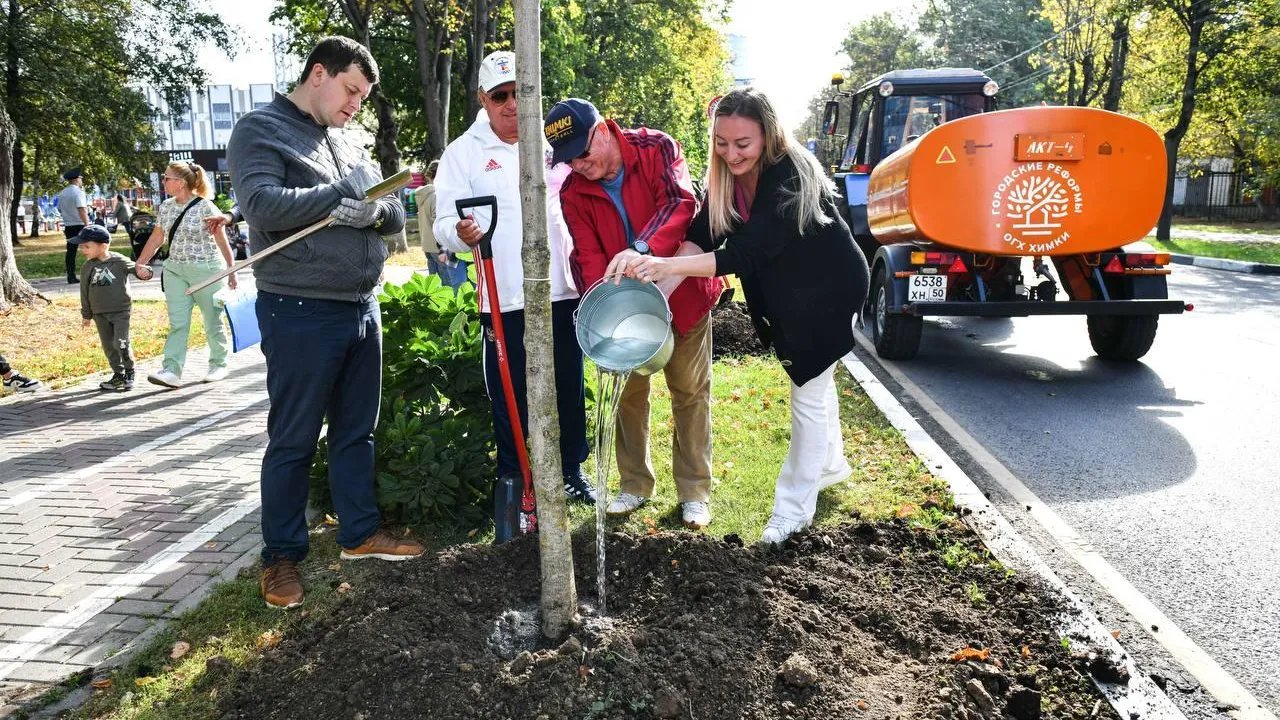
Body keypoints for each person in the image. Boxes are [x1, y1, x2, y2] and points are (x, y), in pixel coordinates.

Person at [227, 35, 423, 610]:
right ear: (319, 74)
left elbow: (390, 216)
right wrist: (341, 192)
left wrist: (377, 208)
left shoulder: (345, 138)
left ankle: (359, 534)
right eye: (351, 90)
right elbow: (260, 205)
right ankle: (281, 556)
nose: (356, 105)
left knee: (356, 429)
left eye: (362, 96)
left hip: (361, 304)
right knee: (293, 437)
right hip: (299, 308)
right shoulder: (259, 130)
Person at [627, 88, 870, 545]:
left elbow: (744, 253)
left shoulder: (790, 173)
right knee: (817, 383)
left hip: (828, 290)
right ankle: (832, 466)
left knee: (808, 393)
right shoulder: (722, 177)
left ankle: (792, 511)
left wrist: (669, 266)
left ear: (768, 136)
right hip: (789, 294)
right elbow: (702, 233)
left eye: (743, 144)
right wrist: (658, 294)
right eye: (722, 142)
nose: (731, 153)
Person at [544, 98, 723, 529]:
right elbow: (586, 255)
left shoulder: (657, 148)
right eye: (568, 162)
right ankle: (634, 485)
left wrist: (642, 249)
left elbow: (681, 205)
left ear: (603, 130)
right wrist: (600, 304)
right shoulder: (572, 192)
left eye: (583, 154)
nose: (579, 167)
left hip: (682, 293)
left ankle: (694, 491)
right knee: (626, 396)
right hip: (623, 310)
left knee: (689, 392)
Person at [433, 50, 596, 505]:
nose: (511, 105)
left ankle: (571, 470)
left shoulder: (552, 144)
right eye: (500, 96)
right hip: (502, 295)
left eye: (520, 93)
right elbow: (443, 219)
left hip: (560, 288)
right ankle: (513, 474)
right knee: (509, 391)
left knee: (568, 381)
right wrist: (460, 232)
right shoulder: (462, 153)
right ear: (482, 98)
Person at [134, 161, 235, 389]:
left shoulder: (206, 207)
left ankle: (219, 363)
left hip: (207, 270)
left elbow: (221, 239)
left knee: (212, 321)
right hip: (175, 271)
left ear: (180, 183)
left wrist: (231, 269)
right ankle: (171, 370)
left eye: (166, 178)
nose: (163, 182)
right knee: (178, 323)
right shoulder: (167, 207)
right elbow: (157, 238)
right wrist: (140, 263)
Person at [72, 225, 154, 391]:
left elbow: (137, 269)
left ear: (103, 246)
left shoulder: (118, 261)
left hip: (120, 311)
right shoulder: (87, 267)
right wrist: (86, 315)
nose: (83, 250)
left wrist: (146, 272)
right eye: (81, 247)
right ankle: (118, 374)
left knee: (121, 342)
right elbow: (84, 293)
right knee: (109, 346)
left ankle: (130, 371)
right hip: (99, 313)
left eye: (87, 246)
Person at [414, 159, 464, 290]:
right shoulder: (437, 195)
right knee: (448, 287)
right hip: (440, 248)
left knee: (434, 286)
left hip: (427, 246)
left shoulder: (423, 195)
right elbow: (440, 223)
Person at [55, 169, 90, 283]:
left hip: (69, 225)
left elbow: (59, 209)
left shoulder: (62, 193)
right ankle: (92, 273)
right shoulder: (78, 192)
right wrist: (87, 225)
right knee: (91, 249)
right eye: (80, 178)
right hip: (80, 224)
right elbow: (82, 210)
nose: (81, 181)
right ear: (77, 179)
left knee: (71, 252)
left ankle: (71, 276)